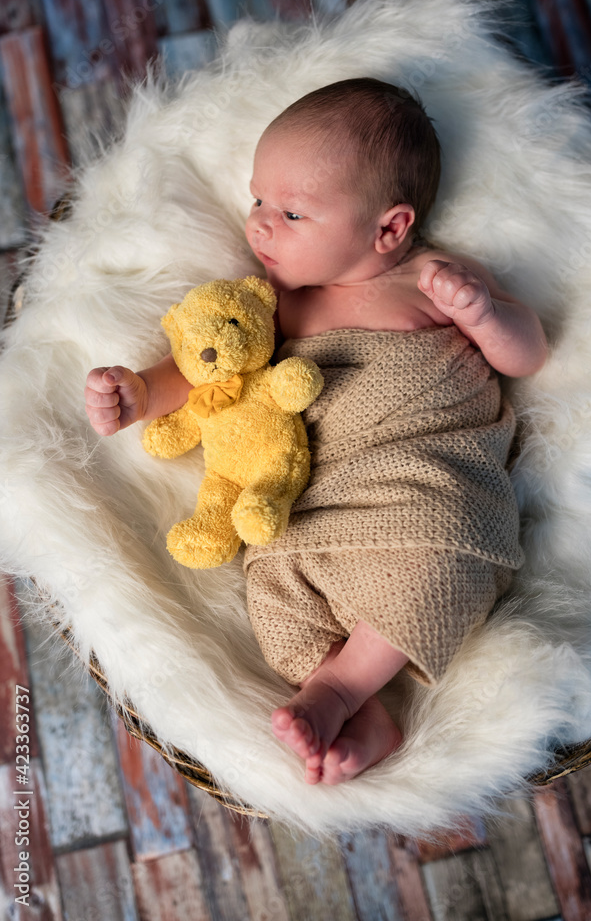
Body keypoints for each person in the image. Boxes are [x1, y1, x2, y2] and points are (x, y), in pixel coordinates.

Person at [85, 78, 548, 787]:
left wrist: (484, 315)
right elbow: (212, 370)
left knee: (436, 564)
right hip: (311, 506)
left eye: (293, 212)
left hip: (419, 486)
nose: (261, 225)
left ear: (388, 229)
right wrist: (142, 391)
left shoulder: (432, 280)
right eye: (258, 200)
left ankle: (340, 691)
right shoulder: (272, 305)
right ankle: (354, 707)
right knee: (276, 602)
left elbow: (527, 356)